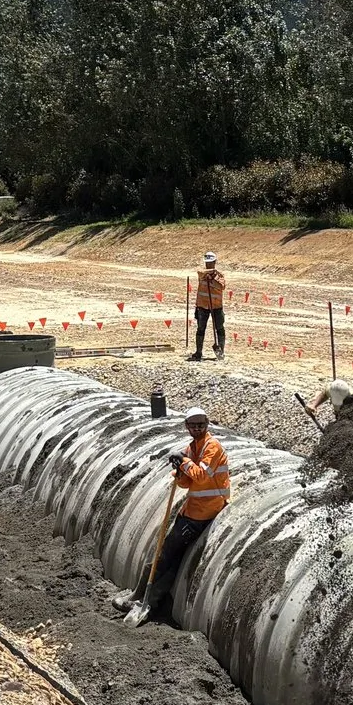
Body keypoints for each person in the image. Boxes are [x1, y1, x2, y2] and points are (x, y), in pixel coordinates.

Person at [128, 408, 229, 626]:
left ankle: (149, 601)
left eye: (200, 425)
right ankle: (139, 596)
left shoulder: (212, 447)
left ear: (207, 424)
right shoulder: (193, 448)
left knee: (168, 554)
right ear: (186, 427)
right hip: (192, 509)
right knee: (166, 552)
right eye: (193, 425)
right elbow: (184, 483)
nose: (197, 428)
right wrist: (180, 470)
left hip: (205, 511)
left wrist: (183, 463)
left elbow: (201, 477)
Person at [190, 251, 226, 361]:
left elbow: (221, 286)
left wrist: (212, 279)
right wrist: (210, 272)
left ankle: (221, 351)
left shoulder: (219, 276)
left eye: (210, 263)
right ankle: (198, 352)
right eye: (207, 263)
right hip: (203, 306)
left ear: (214, 262)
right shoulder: (202, 273)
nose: (208, 265)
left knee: (219, 328)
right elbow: (200, 272)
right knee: (201, 328)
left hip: (216, 306)